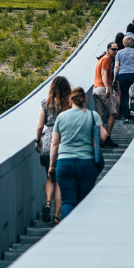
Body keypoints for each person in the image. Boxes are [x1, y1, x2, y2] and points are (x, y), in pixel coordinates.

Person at [47, 87, 107, 219]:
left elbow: (55, 143)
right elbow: (103, 136)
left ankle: (66, 233)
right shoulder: (92, 115)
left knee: (68, 201)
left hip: (64, 163)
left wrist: (52, 166)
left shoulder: (61, 117)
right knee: (84, 202)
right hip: (87, 163)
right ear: (84, 100)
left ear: (70, 100)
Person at [36, 76, 71, 224]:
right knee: (60, 181)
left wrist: (37, 141)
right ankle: (56, 216)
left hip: (47, 142)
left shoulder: (46, 103)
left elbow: (39, 126)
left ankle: (47, 203)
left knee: (50, 177)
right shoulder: (69, 104)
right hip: (63, 143)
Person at [93, 43, 118, 147]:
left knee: (100, 116)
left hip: (96, 89)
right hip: (103, 89)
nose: (115, 51)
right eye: (113, 49)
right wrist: (108, 88)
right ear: (108, 49)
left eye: (117, 49)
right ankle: (107, 138)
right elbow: (104, 74)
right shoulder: (107, 59)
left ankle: (98, 140)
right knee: (112, 113)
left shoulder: (102, 59)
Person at [115, 35, 134, 122]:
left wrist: (114, 78)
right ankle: (133, 111)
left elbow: (116, 66)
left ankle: (126, 117)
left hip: (122, 74)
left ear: (124, 42)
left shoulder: (119, 53)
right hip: (133, 75)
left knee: (125, 96)